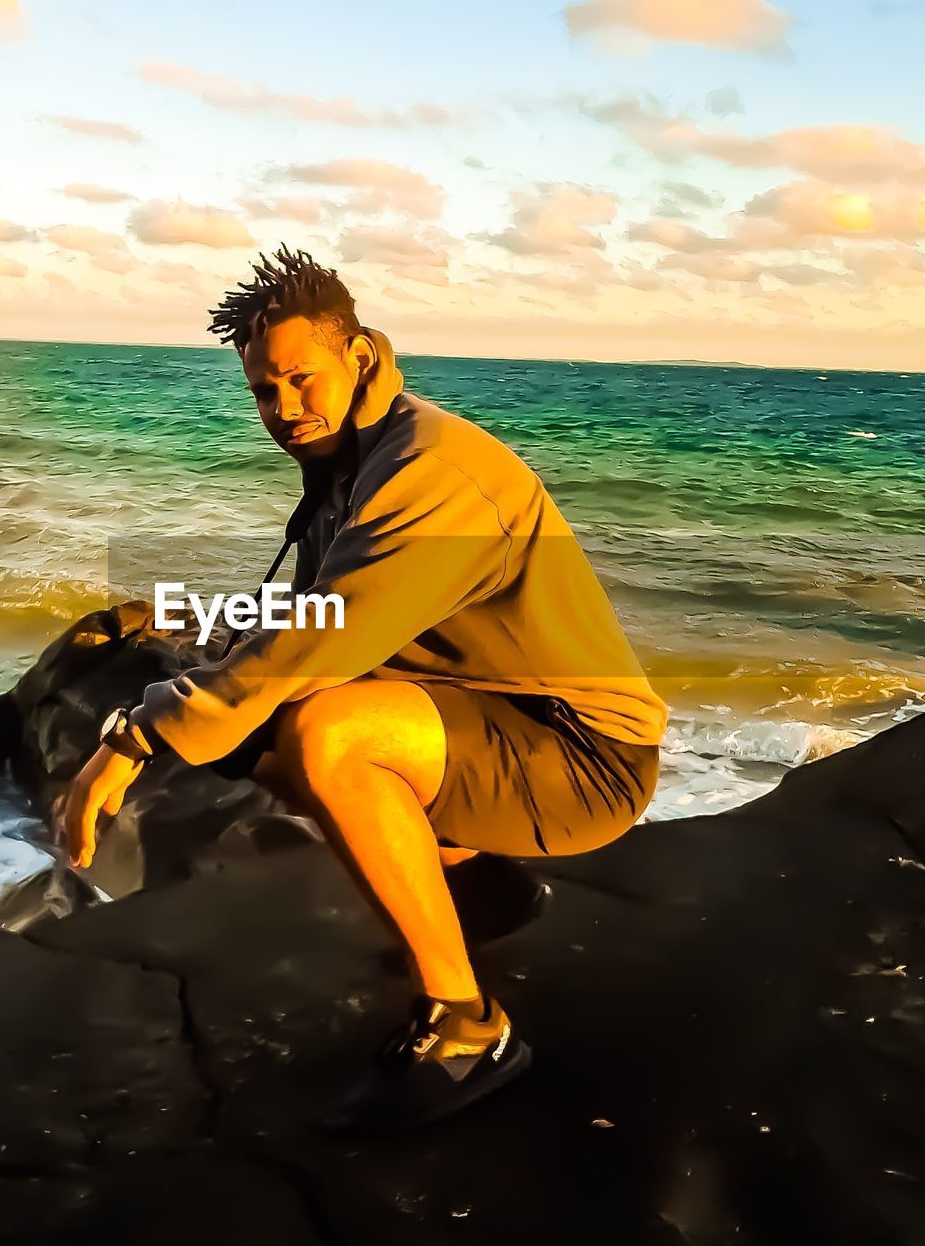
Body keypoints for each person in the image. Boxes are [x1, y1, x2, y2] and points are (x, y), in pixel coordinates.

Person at [54, 245, 668, 1130]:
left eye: (301, 379)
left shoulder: (431, 471)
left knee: (325, 734)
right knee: (254, 728)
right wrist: (212, 666)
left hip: (583, 753)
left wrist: (132, 737)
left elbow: (323, 638)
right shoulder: (353, 460)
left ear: (359, 356)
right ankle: (473, 889)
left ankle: (469, 1024)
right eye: (265, 391)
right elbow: (311, 623)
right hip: (487, 719)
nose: (284, 409)